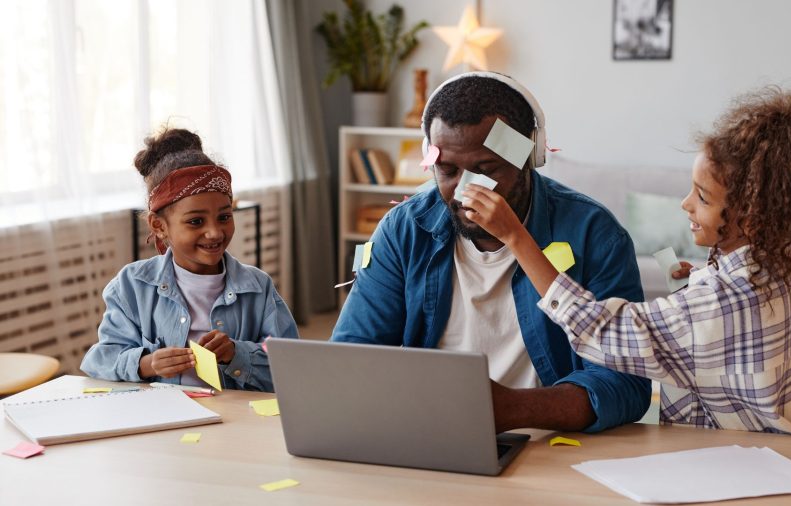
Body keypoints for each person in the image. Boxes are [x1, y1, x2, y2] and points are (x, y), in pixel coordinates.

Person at [463, 88, 791, 436]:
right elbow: (733, 325)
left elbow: (607, 334)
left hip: (745, 467)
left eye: (702, 197)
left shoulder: (723, 299)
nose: (685, 204)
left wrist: (517, 237)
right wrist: (698, 281)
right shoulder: (789, 265)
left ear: (752, 217)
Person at [331, 72, 650, 433]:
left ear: (528, 157)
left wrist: (513, 409)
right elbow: (353, 358)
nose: (466, 191)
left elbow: (628, 386)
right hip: (434, 432)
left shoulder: (596, 235)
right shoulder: (403, 230)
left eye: (487, 170)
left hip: (549, 442)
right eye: (447, 170)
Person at [81, 128, 298, 392]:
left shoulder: (258, 288)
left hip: (235, 421)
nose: (215, 232)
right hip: (163, 419)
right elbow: (99, 361)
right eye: (196, 221)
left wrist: (235, 353)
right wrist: (147, 364)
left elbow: (291, 366)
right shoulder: (131, 286)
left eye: (224, 217)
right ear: (159, 226)